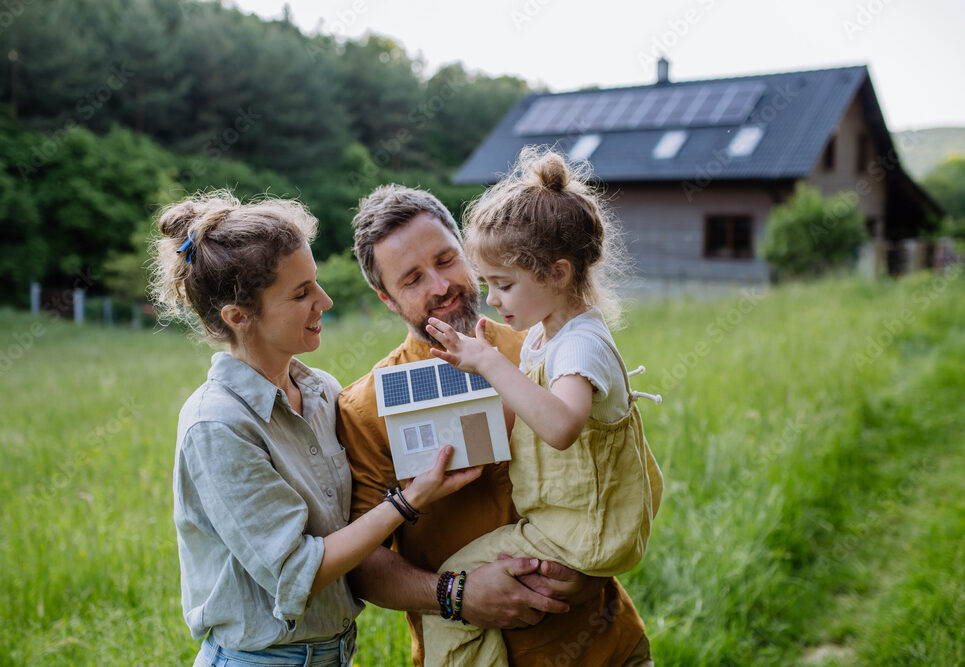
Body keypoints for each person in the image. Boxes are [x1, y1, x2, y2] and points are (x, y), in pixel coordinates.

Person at [151, 191, 480, 667]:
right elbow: (296, 571)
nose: (323, 301)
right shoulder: (216, 425)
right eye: (301, 294)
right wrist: (407, 503)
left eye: (316, 284)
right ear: (239, 318)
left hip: (335, 652)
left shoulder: (323, 392)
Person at [336, 184, 656, 666]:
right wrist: (454, 594)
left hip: (605, 646)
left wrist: (585, 566)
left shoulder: (544, 343)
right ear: (386, 298)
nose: (440, 286)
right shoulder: (364, 408)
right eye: (412, 279)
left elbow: (611, 471)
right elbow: (362, 564)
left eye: (446, 260)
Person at [421, 148, 664, 665]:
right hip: (564, 523)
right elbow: (524, 422)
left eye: (504, 285)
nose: (492, 299)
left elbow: (559, 428)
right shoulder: (546, 335)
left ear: (557, 273)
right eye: (488, 283)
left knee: (451, 593)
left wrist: (490, 363)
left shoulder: (579, 346)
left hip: (583, 532)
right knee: (463, 593)